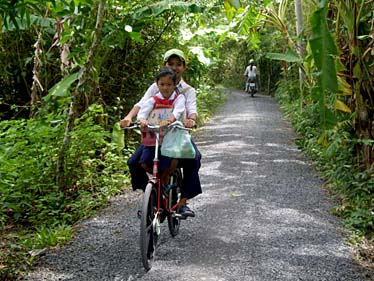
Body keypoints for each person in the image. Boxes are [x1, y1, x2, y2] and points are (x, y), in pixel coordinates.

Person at [120, 49, 201, 218]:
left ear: (184, 67)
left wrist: (191, 120)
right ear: (164, 65)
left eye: (178, 64)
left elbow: (192, 110)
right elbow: (142, 104)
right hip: (155, 134)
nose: (174, 67)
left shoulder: (187, 91)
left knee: (194, 159)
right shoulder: (155, 86)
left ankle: (182, 202)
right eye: (170, 64)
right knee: (134, 162)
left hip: (177, 135)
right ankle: (151, 196)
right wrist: (129, 117)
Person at [136, 66, 185, 187]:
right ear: (157, 84)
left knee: (172, 161)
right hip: (153, 137)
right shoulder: (153, 99)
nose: (165, 87)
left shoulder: (178, 98)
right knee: (143, 162)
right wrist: (141, 119)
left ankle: (166, 176)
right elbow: (143, 111)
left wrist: (169, 120)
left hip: (170, 137)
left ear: (174, 85)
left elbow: (178, 111)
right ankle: (158, 180)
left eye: (169, 84)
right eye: (162, 84)